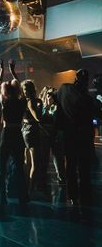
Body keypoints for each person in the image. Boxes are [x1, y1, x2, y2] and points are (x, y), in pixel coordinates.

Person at [57, 69, 102, 206]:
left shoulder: (63, 89)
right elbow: (99, 115)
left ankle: (72, 196)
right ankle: (85, 197)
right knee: (84, 168)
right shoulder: (87, 99)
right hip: (83, 138)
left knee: (70, 166)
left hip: (69, 136)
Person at [0, 59, 28, 208]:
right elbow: (20, 87)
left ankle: (1, 197)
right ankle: (23, 196)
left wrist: (1, 71)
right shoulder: (22, 101)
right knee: (19, 166)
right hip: (18, 133)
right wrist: (13, 70)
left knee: (2, 166)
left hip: (7, 132)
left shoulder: (4, 100)